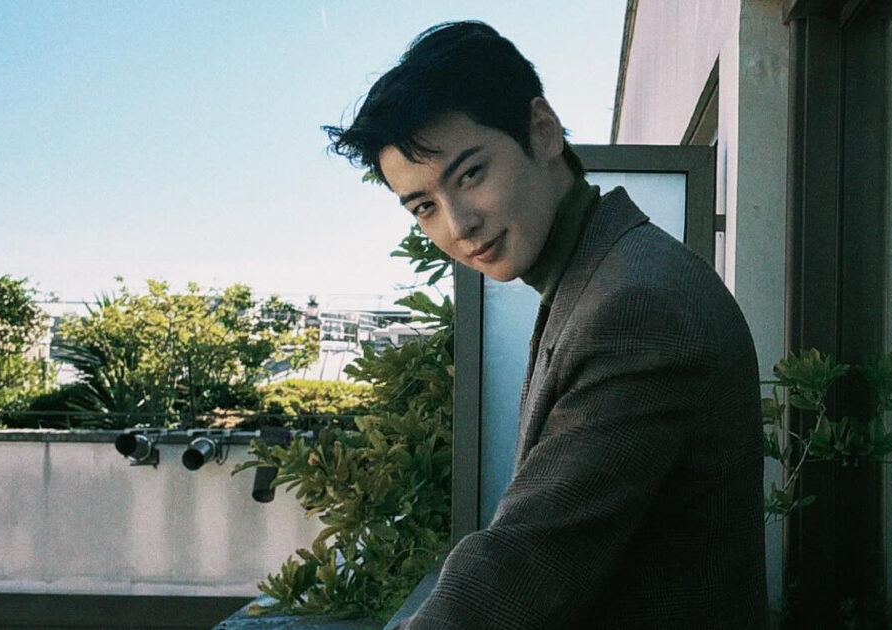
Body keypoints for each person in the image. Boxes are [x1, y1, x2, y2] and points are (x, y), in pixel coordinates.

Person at [325, 21, 766, 630]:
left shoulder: (635, 304)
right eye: (424, 206)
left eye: (470, 174)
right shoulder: (597, 276)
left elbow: (523, 568)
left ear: (543, 130)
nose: (458, 224)